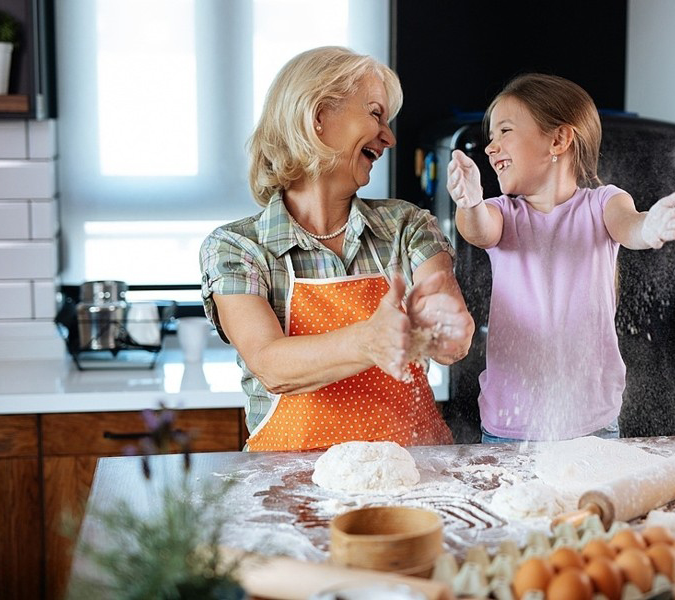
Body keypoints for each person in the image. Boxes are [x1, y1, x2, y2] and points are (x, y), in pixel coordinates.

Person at [200, 46, 474, 452]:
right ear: (318, 117)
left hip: (416, 479)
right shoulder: (239, 248)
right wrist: (369, 340)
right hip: (289, 489)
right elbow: (270, 364)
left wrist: (448, 328)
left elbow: (445, 311)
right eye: (375, 113)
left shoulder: (405, 227)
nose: (389, 137)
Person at [446, 73, 675, 443]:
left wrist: (648, 228)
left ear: (558, 140)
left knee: (586, 504)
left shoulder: (604, 203)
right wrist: (470, 202)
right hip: (510, 425)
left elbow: (629, 225)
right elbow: (477, 229)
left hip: (592, 424)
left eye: (505, 131)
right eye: (491, 137)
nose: (491, 148)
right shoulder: (503, 213)